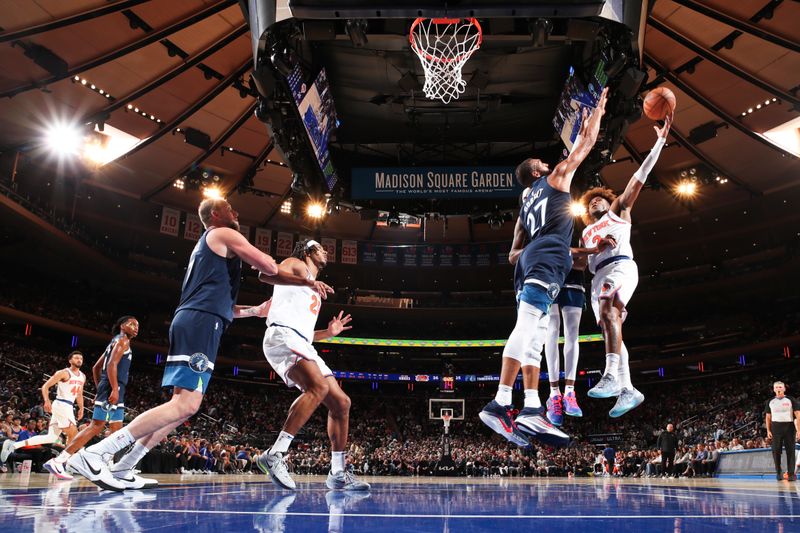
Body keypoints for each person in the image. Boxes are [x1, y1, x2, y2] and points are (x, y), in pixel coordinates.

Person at [68, 198, 330, 491]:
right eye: (232, 209)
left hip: (202, 319)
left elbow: (226, 307)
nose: (237, 212)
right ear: (217, 215)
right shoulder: (222, 233)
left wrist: (253, 312)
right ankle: (96, 453)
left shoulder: (212, 252)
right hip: (200, 322)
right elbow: (267, 265)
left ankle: (124, 466)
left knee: (184, 407)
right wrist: (307, 283)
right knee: (186, 403)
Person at [480, 87, 609, 447]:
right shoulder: (554, 181)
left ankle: (532, 408)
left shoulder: (525, 200)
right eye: (541, 162)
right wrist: (595, 113)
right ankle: (501, 401)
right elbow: (584, 144)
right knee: (526, 328)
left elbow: (512, 251)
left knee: (535, 338)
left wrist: (525, 251)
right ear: (537, 171)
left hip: (531, 261)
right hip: (546, 260)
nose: (548, 163)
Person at [575, 112, 673, 417]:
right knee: (608, 326)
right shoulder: (587, 231)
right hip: (596, 278)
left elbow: (638, 178)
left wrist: (659, 143)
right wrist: (588, 249)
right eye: (590, 203)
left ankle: (610, 375)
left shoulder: (619, 213)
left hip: (619, 268)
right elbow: (579, 264)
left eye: (599, 199)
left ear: (609, 200)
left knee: (609, 309)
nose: (594, 203)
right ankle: (628, 389)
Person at [256, 239, 369, 491]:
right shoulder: (296, 264)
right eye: (320, 248)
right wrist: (308, 281)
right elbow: (266, 275)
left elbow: (305, 334)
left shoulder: (314, 287)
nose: (326, 251)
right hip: (281, 336)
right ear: (307, 251)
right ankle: (275, 454)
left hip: (301, 340)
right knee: (317, 387)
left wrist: (328, 333)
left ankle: (338, 472)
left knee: (341, 402)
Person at [42, 318, 139, 481]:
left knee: (117, 429)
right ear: (122, 326)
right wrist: (113, 388)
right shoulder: (122, 340)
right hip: (114, 387)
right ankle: (59, 460)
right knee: (96, 426)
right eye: (132, 324)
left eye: (137, 325)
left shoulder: (114, 342)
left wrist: (100, 387)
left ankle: (112, 466)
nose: (136, 328)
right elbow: (110, 366)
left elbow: (96, 367)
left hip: (110, 387)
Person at [1, 351, 86, 466]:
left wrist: (81, 408)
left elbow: (79, 394)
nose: (79, 360)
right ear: (70, 360)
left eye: (80, 358)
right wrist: (47, 400)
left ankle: (14, 445)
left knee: (51, 437)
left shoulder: (83, 376)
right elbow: (45, 386)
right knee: (74, 434)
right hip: (62, 404)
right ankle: (62, 464)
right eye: (76, 358)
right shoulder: (63, 373)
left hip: (69, 406)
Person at [542, 264, 586, 426]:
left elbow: (584, 260)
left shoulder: (577, 237)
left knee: (572, 332)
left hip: (573, 275)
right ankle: (554, 393)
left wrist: (567, 253)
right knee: (551, 330)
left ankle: (569, 392)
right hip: (548, 273)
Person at [765, 381, 800, 481]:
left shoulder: (791, 399)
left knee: (790, 451)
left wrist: (799, 430)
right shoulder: (770, 401)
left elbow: (798, 415)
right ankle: (778, 472)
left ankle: (791, 474)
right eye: (776, 387)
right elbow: (768, 417)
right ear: (774, 389)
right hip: (776, 427)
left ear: (784, 389)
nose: (778, 389)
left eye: (780, 387)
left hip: (789, 427)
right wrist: (768, 430)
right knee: (776, 451)